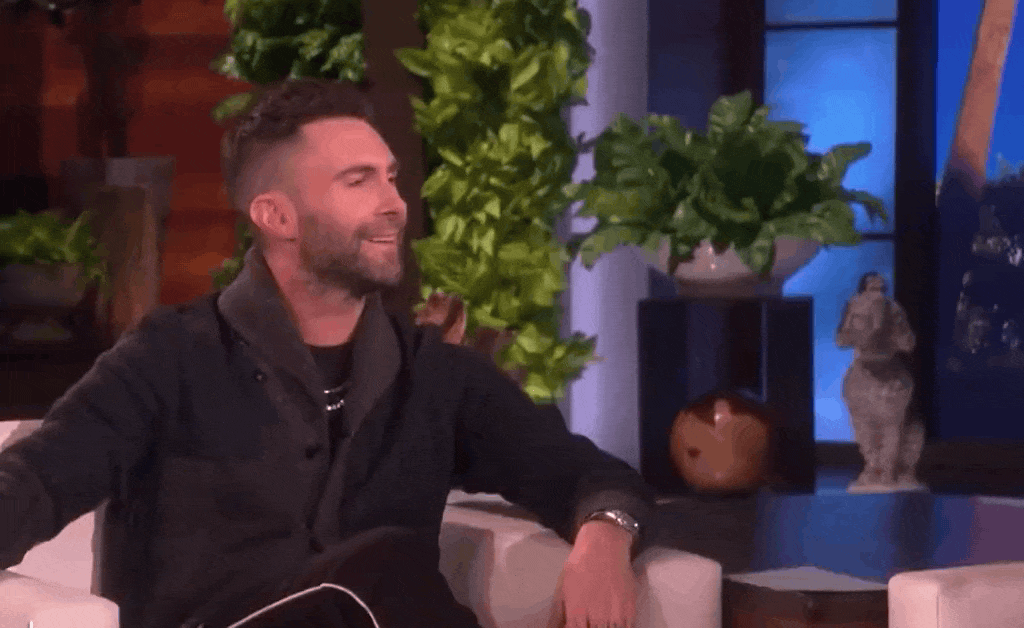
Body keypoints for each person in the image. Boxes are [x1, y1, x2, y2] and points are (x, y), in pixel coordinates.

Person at [0, 77, 656, 628]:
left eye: (391, 179)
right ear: (277, 216)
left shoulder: (434, 375)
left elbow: (583, 472)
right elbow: (39, 479)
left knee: (377, 571)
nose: (394, 204)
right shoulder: (168, 357)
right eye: (357, 181)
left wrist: (604, 534)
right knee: (380, 567)